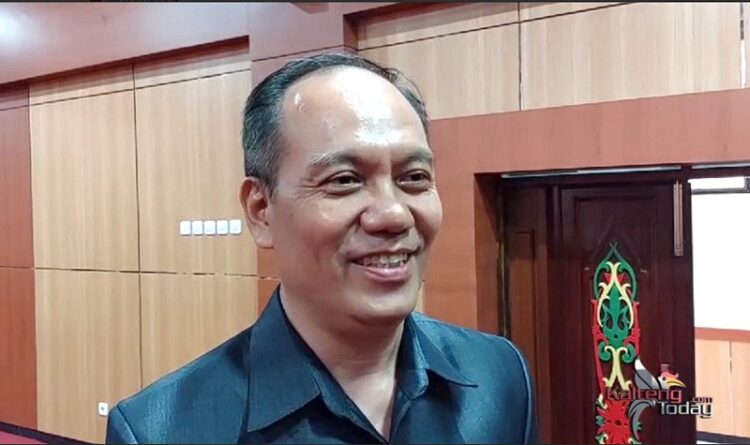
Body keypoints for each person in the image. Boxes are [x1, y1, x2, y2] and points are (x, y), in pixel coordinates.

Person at [106, 52, 536, 444]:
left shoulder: (498, 376)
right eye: (345, 180)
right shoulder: (161, 431)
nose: (393, 215)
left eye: (414, 178)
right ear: (261, 210)